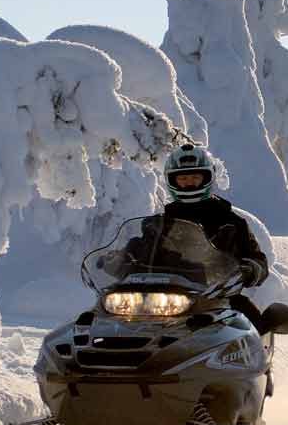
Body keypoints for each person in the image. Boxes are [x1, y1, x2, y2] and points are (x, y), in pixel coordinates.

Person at [107, 142, 269, 331]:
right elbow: (142, 249)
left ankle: (259, 354)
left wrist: (250, 268)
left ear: (207, 178)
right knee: (106, 316)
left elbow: (258, 259)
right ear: (172, 181)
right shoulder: (159, 223)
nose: (189, 182)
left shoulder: (231, 222)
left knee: (251, 324)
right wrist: (119, 258)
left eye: (195, 177)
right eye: (182, 178)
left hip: (215, 298)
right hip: (162, 299)